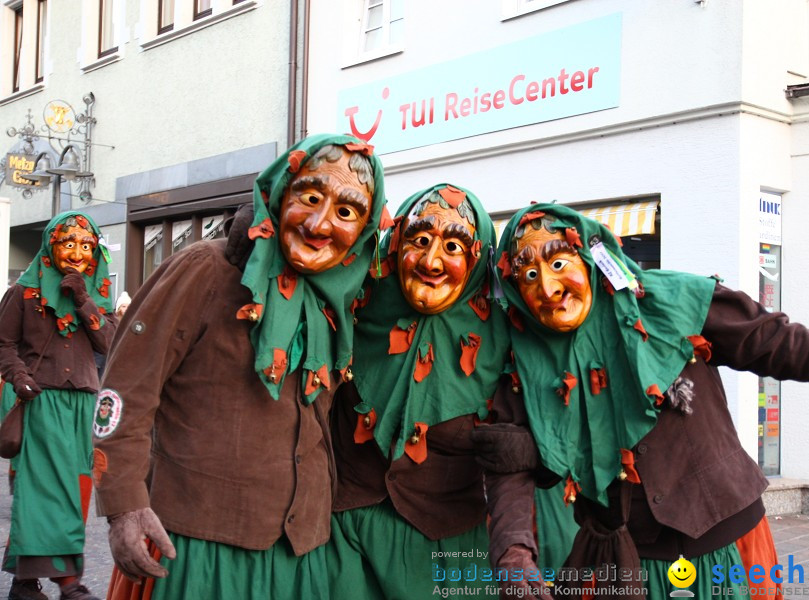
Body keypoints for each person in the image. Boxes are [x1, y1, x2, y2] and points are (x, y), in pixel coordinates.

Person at [481, 203, 809, 600]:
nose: (549, 288)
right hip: (623, 564)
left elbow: (780, 344)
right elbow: (509, 464)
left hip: (730, 545)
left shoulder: (670, 303)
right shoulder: (524, 361)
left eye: (557, 264)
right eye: (528, 276)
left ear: (590, 259)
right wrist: (513, 556)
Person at [93, 134, 388, 599]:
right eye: (309, 197)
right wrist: (124, 506)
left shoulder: (339, 302)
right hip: (202, 547)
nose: (319, 223)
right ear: (277, 194)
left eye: (346, 212)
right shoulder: (204, 270)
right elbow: (125, 390)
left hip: (300, 550)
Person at [325, 184, 511, 599]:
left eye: (452, 247)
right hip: (345, 540)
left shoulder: (505, 336)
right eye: (420, 241)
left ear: (477, 258)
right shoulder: (353, 302)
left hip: (450, 551)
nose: (431, 261)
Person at [0, 211, 117, 600]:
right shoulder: (24, 293)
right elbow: (3, 345)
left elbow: (110, 346)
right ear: (51, 246)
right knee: (46, 490)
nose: (77, 253)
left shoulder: (98, 297)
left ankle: (24, 581)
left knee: (77, 489)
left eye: (86, 246)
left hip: (84, 404)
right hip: (41, 400)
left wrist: (83, 299)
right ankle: (69, 583)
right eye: (68, 243)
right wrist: (19, 377)